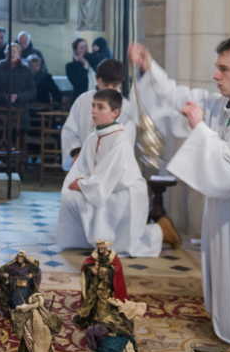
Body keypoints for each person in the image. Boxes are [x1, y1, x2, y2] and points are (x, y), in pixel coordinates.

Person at [128, 37, 230, 348]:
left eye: (224, 69)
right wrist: (149, 67)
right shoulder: (219, 105)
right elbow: (176, 96)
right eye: (217, 68)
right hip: (222, 208)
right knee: (219, 268)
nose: (216, 75)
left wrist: (200, 130)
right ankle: (225, 323)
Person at [56, 90, 162, 257]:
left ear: (115, 113)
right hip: (101, 187)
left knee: (97, 203)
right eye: (93, 106)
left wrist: (83, 185)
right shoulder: (93, 137)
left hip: (125, 191)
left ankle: (155, 233)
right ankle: (81, 241)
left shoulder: (120, 140)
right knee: (70, 196)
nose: (94, 111)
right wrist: (78, 181)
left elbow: (109, 175)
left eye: (100, 107)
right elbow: (82, 167)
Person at [62, 59, 137, 170]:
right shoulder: (83, 101)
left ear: (121, 83)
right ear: (98, 81)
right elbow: (69, 131)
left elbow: (126, 141)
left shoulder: (126, 108)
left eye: (115, 85)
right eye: (106, 85)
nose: (111, 90)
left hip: (112, 168)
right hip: (83, 164)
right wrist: (75, 152)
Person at [0, 43, 35, 111]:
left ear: (19, 54)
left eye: (15, 52)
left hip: (20, 107)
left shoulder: (26, 70)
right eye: (9, 51)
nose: (12, 54)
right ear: (5, 54)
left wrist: (18, 96)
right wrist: (5, 97)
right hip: (0, 106)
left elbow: (32, 91)